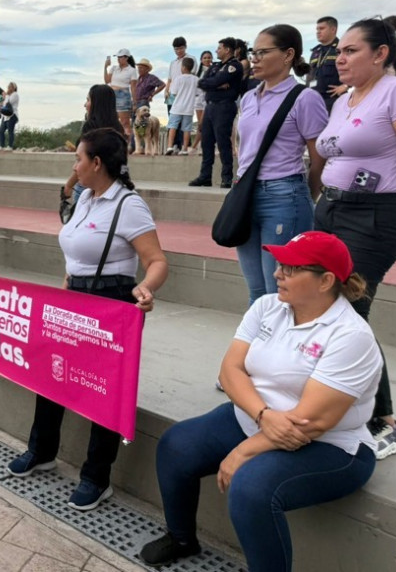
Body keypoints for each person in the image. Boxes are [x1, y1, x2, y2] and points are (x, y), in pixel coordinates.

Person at [141, 232, 381, 570]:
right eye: (280, 264)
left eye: (290, 268)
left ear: (325, 280)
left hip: (329, 445)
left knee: (251, 489)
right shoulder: (269, 306)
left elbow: (312, 422)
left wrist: (243, 450)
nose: (276, 273)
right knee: (176, 445)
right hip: (259, 419)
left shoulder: (350, 335)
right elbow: (230, 371)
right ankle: (181, 538)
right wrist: (262, 414)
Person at [7, 128, 168, 510]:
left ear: (97, 163)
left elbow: (157, 260)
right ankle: (41, 450)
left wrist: (146, 289)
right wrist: (64, 288)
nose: (74, 166)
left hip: (111, 302)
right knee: (51, 374)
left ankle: (97, 476)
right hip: (74, 297)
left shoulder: (129, 205)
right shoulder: (86, 199)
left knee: (102, 390)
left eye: (78, 159)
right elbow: (75, 253)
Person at [312, 17, 396, 459]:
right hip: (332, 208)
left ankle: (384, 419)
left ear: (381, 54)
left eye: (352, 50)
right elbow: (325, 151)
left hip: (376, 214)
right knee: (321, 303)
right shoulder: (344, 100)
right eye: (341, 50)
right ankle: (340, 401)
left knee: (350, 307)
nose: (341, 56)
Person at [233, 24, 329, 304]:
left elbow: (320, 154)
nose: (255, 58)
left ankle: (281, 346)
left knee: (279, 291)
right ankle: (257, 347)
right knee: (257, 291)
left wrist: (305, 194)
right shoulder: (249, 97)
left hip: (284, 195)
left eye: (263, 52)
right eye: (254, 52)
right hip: (246, 195)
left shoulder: (304, 97)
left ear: (288, 55)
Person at [189, 38, 243, 189]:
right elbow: (203, 82)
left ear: (227, 50)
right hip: (210, 106)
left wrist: (215, 84)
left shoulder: (234, 66)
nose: (216, 51)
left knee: (223, 142)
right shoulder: (215, 66)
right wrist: (218, 85)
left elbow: (213, 82)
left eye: (219, 48)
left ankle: (226, 177)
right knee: (206, 142)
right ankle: (205, 176)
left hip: (224, 106)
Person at [63, 85, 121, 201]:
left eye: (88, 100)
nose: (85, 105)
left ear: (97, 104)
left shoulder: (90, 128)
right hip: (110, 188)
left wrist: (69, 185)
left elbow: (86, 163)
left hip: (87, 188)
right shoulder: (118, 129)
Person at [308, 16, 345, 112]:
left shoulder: (342, 49)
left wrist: (346, 86)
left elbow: (357, 70)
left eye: (322, 28)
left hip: (333, 100)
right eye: (317, 29)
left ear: (333, 29)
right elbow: (310, 75)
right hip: (313, 99)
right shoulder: (316, 51)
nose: (318, 32)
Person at [164, 58, 198, 155]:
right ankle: (184, 149)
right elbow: (197, 93)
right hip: (189, 109)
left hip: (177, 107)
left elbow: (173, 93)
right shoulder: (196, 79)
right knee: (186, 129)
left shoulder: (178, 78)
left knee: (172, 127)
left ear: (183, 67)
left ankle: (170, 147)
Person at [104, 49, 138, 138]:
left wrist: (134, 102)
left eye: (121, 57)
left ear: (126, 58)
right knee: (111, 120)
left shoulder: (131, 70)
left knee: (125, 122)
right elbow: (107, 81)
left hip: (123, 94)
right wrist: (105, 67)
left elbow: (133, 87)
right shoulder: (114, 68)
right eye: (118, 57)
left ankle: (127, 144)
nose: (118, 59)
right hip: (112, 94)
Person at [190, 51, 213, 153]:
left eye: (209, 57)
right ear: (201, 60)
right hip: (198, 99)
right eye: (205, 58)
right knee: (201, 125)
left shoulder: (214, 71)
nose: (207, 59)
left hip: (208, 98)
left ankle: (195, 146)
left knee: (202, 123)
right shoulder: (198, 73)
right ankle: (199, 147)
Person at [0, 81, 19, 151]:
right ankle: (1, 145)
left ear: (14, 88)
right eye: (8, 87)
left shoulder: (15, 95)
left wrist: (6, 96)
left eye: (10, 87)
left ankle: (10, 146)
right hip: (5, 116)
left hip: (12, 115)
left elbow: (8, 103)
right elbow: (2, 104)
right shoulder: (7, 95)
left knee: (10, 131)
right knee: (1, 131)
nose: (8, 88)